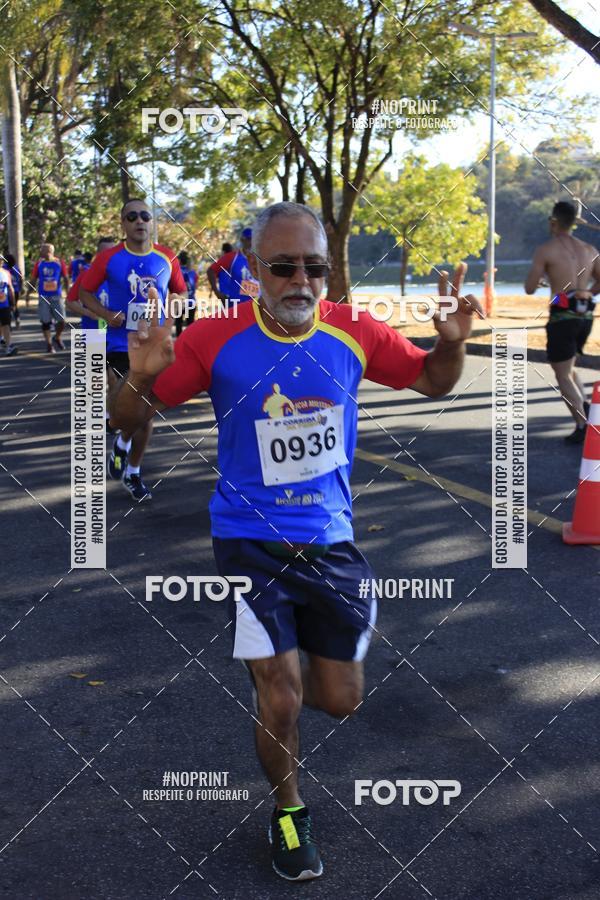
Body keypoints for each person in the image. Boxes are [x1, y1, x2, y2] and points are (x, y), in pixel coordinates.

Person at [111, 201, 483, 881]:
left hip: (330, 543)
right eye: (283, 267)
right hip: (247, 542)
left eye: (314, 266)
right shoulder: (214, 339)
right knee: (279, 694)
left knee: (340, 699)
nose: (300, 281)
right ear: (255, 270)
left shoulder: (353, 330)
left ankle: (312, 649)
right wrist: (138, 372)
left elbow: (434, 382)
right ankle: (288, 810)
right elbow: (133, 414)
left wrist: (452, 342)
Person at [79, 198, 186, 501]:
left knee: (146, 413)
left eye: (145, 215)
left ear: (152, 222)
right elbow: (84, 292)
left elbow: (181, 291)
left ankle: (130, 464)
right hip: (119, 344)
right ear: (123, 224)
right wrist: (105, 314)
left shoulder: (167, 257)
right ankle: (125, 445)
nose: (139, 220)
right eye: (132, 217)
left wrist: (173, 308)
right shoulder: (109, 259)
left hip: (153, 346)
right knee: (131, 407)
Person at [525, 200, 600, 444]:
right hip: (585, 316)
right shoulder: (589, 249)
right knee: (568, 366)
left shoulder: (546, 250)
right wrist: (587, 292)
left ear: (554, 221)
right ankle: (587, 409)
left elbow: (528, 288)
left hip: (562, 318)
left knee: (562, 375)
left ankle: (582, 425)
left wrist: (556, 289)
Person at [27, 243, 69, 353]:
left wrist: (68, 293)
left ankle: (57, 337)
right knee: (45, 321)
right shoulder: (39, 263)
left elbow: (66, 278)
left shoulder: (59, 263)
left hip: (56, 295)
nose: (40, 252)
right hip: (43, 296)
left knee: (62, 320)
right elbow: (33, 279)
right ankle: (49, 344)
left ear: (49, 251)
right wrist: (28, 293)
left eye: (42, 250)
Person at [66, 238, 116, 329]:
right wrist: (90, 313)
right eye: (105, 253)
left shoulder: (123, 274)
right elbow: (70, 302)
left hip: (117, 332)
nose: (108, 256)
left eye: (112, 253)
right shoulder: (87, 273)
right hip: (92, 330)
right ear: (97, 254)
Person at [207, 228, 258, 306]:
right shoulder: (232, 257)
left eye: (253, 239)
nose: (251, 242)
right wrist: (217, 292)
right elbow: (211, 271)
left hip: (256, 306)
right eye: (248, 239)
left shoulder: (262, 258)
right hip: (236, 306)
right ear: (242, 240)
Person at [175, 250, 198, 335]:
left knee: (178, 324)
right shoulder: (193, 272)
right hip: (191, 301)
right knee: (190, 326)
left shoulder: (176, 272)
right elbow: (196, 286)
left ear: (179, 260)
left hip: (180, 301)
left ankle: (178, 344)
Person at [0, 266, 17, 355]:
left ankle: (8, 347)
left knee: (6, 325)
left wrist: (13, 303)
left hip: (4, 304)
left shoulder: (6, 273)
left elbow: (11, 288)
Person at [3, 253, 22, 329]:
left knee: (7, 308)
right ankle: (17, 319)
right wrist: (20, 288)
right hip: (16, 290)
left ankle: (9, 324)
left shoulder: (4, 268)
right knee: (14, 306)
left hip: (7, 291)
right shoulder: (16, 268)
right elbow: (20, 279)